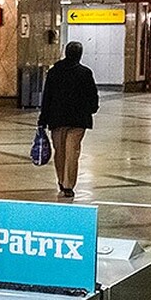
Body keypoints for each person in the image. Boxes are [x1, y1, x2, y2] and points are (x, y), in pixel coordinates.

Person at [38, 41, 99, 199]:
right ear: (79, 55)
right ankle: (68, 185)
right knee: (72, 152)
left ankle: (61, 179)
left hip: (57, 119)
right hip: (78, 120)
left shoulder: (54, 72)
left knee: (60, 152)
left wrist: (43, 119)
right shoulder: (85, 73)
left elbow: (47, 97)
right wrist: (92, 109)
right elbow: (93, 95)